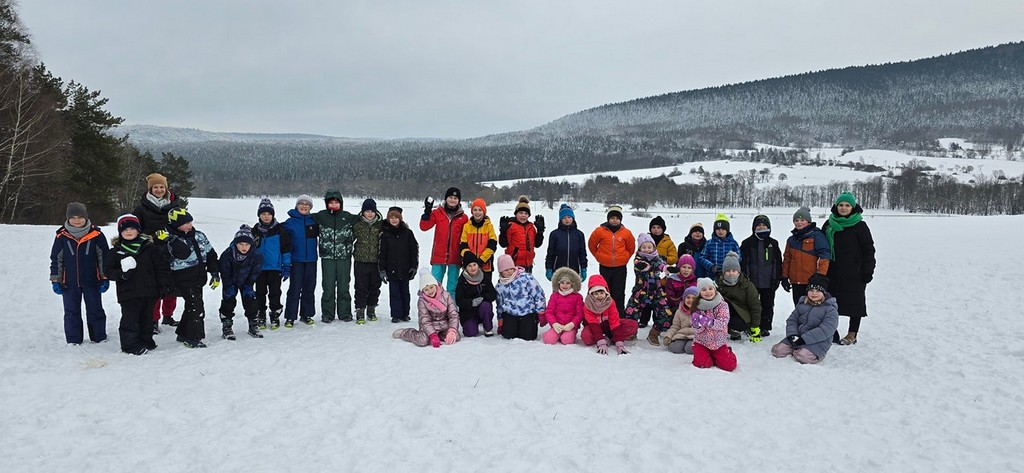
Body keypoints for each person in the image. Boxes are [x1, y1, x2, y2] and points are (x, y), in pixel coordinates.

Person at [104, 213, 168, 355]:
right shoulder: (115, 251)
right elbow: (108, 271)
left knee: (147, 318)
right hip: (128, 292)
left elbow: (160, 267)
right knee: (130, 319)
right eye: (125, 229)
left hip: (149, 291)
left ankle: (146, 340)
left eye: (132, 229)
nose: (128, 232)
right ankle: (130, 345)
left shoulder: (150, 248)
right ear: (120, 232)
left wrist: (163, 285)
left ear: (138, 230)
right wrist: (121, 274)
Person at [50, 202, 109, 345]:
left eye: (80, 217)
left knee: (95, 309)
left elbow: (104, 258)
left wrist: (104, 277)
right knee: (71, 312)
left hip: (92, 281)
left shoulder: (97, 234)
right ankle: (73, 339)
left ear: (86, 218)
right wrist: (56, 280)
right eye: (73, 217)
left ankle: (99, 337)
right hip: (68, 283)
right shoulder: (61, 236)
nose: (77, 220)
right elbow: (56, 259)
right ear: (68, 218)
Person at [133, 173, 186, 329]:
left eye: (161, 187)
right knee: (154, 287)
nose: (159, 189)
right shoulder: (141, 209)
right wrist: (150, 238)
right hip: (150, 251)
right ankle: (153, 319)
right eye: (155, 187)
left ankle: (168, 316)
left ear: (166, 188)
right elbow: (135, 231)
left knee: (171, 285)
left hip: (171, 250)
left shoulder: (175, 207)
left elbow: (182, 227)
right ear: (150, 189)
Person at [160, 207, 219, 348]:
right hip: (183, 278)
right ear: (175, 226)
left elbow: (211, 254)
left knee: (191, 305)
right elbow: (183, 253)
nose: (189, 225)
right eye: (184, 223)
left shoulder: (200, 235)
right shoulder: (171, 240)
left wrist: (215, 273)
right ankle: (193, 337)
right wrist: (172, 239)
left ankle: (183, 333)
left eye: (190, 221)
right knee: (196, 308)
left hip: (199, 277)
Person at [824, 192, 876, 346]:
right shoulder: (829, 224)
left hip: (855, 272)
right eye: (841, 205)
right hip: (832, 271)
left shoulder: (860, 225)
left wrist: (868, 270)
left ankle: (852, 333)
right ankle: (831, 331)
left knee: (855, 303)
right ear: (836, 206)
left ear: (852, 207)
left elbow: (868, 249)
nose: (844, 208)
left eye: (847, 205)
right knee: (829, 303)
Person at [313, 189, 358, 323]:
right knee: (328, 286)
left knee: (344, 286)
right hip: (327, 258)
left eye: (336, 202)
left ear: (341, 203)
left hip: (344, 257)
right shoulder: (320, 217)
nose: (333, 205)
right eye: (331, 202)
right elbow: (303, 218)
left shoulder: (348, 217)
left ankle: (345, 313)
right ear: (327, 204)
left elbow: (367, 219)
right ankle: (327, 313)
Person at [772, 274, 839, 364]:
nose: (814, 293)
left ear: (824, 293)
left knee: (801, 356)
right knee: (777, 351)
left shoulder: (830, 309)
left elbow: (826, 330)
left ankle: (816, 354)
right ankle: (799, 347)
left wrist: (804, 339)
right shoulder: (802, 304)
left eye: (818, 291)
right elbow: (792, 320)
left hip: (818, 341)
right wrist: (792, 335)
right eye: (811, 290)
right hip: (797, 338)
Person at [624, 233, 674, 345]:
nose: (647, 250)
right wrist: (643, 266)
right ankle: (631, 332)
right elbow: (640, 264)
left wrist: (667, 268)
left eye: (649, 247)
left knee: (665, 313)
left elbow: (660, 264)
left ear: (654, 247)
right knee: (630, 312)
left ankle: (654, 333)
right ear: (640, 248)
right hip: (640, 291)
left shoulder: (657, 258)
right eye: (644, 247)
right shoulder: (638, 258)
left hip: (656, 291)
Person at [218, 225, 264, 340]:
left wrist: (249, 284)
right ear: (235, 244)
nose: (244, 247)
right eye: (241, 244)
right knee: (228, 303)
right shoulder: (227, 254)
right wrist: (228, 285)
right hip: (231, 282)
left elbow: (256, 271)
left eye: (247, 244)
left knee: (251, 302)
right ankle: (227, 326)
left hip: (246, 282)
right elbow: (224, 271)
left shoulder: (256, 256)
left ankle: (253, 325)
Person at [588, 205, 635, 317]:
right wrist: (599, 256)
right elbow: (592, 245)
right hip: (605, 266)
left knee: (618, 292)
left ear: (620, 219)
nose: (615, 220)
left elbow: (631, 248)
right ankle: (605, 314)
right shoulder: (599, 231)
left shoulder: (626, 233)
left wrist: (624, 257)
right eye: (612, 218)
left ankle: (619, 315)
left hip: (620, 267)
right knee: (604, 292)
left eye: (617, 218)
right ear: (608, 219)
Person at [740, 215, 783, 336]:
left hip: (768, 281)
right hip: (751, 281)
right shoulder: (747, 243)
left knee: (767, 304)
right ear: (754, 227)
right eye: (758, 225)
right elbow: (744, 262)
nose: (761, 227)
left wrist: (777, 278)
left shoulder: (773, 243)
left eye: (764, 225)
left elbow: (777, 262)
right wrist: (745, 278)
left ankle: (765, 326)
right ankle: (750, 326)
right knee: (751, 304)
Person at [252, 198, 291, 330]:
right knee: (260, 293)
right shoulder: (254, 232)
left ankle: (275, 314)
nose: (266, 216)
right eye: (263, 214)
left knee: (275, 293)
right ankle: (261, 314)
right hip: (259, 269)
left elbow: (286, 250)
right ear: (259, 215)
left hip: (275, 267)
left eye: (269, 214)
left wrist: (286, 266)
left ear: (273, 215)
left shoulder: (280, 230)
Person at [392, 272, 460, 348]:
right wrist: (432, 335)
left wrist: (452, 331)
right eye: (426, 289)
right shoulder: (422, 301)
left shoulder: (446, 295)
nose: (430, 291)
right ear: (423, 291)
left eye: (431, 287)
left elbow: (453, 314)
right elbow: (425, 320)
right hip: (429, 326)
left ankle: (441, 335)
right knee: (423, 341)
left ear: (436, 285)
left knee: (456, 336)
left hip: (444, 325)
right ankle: (406, 333)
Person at [420, 187, 469, 293]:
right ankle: (436, 308)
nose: (452, 200)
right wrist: (427, 213)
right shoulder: (437, 213)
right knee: (435, 286)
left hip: (455, 257)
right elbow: (424, 227)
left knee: (452, 287)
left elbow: (467, 236)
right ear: (446, 198)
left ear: (459, 201)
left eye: (455, 198)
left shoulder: (464, 218)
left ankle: (452, 308)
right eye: (450, 197)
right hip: (439, 255)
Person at [283, 195, 320, 327]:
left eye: (307, 204)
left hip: (311, 260)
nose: (304, 206)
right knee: (295, 288)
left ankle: (306, 314)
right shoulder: (290, 222)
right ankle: (290, 317)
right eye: (301, 204)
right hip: (296, 260)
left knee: (309, 288)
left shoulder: (314, 221)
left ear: (310, 207)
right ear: (296, 206)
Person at [781, 206, 831, 305]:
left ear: (808, 221)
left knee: (813, 310)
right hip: (796, 282)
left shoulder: (817, 236)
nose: (799, 223)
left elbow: (824, 257)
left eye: (802, 220)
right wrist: (784, 277)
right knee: (799, 309)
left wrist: (820, 276)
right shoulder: (791, 240)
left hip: (812, 282)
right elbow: (787, 259)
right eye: (796, 220)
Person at [378, 207, 419, 323]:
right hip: (392, 269)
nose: (394, 220)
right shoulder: (385, 234)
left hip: (405, 268)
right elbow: (382, 253)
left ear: (400, 219)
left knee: (405, 292)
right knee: (394, 292)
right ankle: (396, 314)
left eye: (396, 217)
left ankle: (405, 313)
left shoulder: (408, 233)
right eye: (392, 217)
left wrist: (414, 266)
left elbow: (414, 250)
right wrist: (382, 269)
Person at [580, 274, 638, 355]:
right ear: (591, 294)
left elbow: (614, 322)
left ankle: (610, 338)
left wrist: (619, 344)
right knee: (586, 337)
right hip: (594, 327)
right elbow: (593, 324)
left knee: (632, 325)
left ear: (606, 292)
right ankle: (604, 339)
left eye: (601, 292)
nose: (599, 296)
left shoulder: (610, 302)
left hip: (609, 326)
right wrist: (601, 342)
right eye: (595, 294)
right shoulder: (588, 305)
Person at [493, 254, 546, 341]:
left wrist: (541, 312)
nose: (510, 272)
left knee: (528, 336)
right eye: (506, 270)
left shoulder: (526, 278)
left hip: (527, 312)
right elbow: (500, 304)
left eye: (511, 268)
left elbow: (538, 294)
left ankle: (529, 325)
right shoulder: (499, 286)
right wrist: (500, 321)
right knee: (508, 334)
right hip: (510, 314)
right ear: (501, 272)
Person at [689, 277, 737, 371]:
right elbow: (696, 331)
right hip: (701, 342)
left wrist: (709, 322)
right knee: (702, 364)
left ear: (715, 289)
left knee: (729, 366)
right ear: (699, 293)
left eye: (710, 288)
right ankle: (706, 355)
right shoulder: (696, 306)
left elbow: (723, 323)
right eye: (703, 289)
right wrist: (697, 325)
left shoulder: (722, 305)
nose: (708, 292)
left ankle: (726, 352)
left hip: (718, 343)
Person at [716, 251, 763, 342]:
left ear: (738, 271)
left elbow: (755, 306)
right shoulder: (718, 284)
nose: (731, 273)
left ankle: (735, 331)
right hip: (724, 313)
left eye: (734, 270)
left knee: (738, 324)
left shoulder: (747, 285)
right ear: (723, 272)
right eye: (728, 271)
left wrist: (755, 327)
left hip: (742, 314)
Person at [352, 199, 384, 324]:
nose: (370, 214)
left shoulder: (381, 225)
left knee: (375, 287)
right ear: (363, 212)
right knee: (361, 287)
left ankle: (371, 310)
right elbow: (349, 239)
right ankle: (360, 311)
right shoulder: (357, 224)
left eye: (372, 211)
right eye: (367, 211)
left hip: (376, 262)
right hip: (361, 261)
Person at [454, 253, 497, 337]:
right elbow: (459, 301)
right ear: (465, 268)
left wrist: (483, 297)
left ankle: (488, 328)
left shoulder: (484, 277)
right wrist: (471, 302)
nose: (473, 268)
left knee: (485, 305)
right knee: (470, 333)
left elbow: (493, 294)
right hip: (468, 312)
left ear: (478, 265)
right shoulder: (462, 281)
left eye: (474, 264)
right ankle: (472, 324)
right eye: (469, 266)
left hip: (483, 308)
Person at [498, 196, 544, 272]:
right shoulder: (511, 226)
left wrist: (540, 232)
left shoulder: (531, 227)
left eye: (526, 213)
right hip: (514, 264)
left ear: (528, 215)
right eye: (521, 213)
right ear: (516, 214)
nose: (523, 215)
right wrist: (503, 232)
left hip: (528, 264)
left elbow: (537, 244)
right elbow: (503, 244)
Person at [541, 267, 584, 345]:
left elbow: (580, 314)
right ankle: (555, 333)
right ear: (558, 283)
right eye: (562, 283)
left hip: (570, 326)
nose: (565, 285)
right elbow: (549, 312)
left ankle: (571, 334)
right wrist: (554, 323)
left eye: (568, 283)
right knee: (548, 340)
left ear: (572, 284)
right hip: (557, 325)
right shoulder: (554, 296)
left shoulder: (578, 297)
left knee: (566, 340)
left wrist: (572, 324)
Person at [544, 203, 588, 278]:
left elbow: (582, 253)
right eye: (564, 218)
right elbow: (550, 253)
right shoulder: (554, 234)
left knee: (573, 289)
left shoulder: (579, 234)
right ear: (560, 220)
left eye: (569, 217)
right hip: (558, 269)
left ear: (573, 218)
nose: (567, 219)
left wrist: (583, 267)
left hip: (574, 269)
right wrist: (548, 267)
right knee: (559, 289)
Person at [459, 198, 498, 282]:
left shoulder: (489, 226)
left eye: (480, 210)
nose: (477, 212)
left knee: (486, 289)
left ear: (484, 212)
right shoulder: (467, 226)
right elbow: (463, 245)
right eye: (475, 210)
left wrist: (481, 260)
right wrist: (471, 260)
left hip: (485, 265)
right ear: (472, 211)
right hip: (470, 266)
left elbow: (492, 245)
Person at [696, 213, 740, 280]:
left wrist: (729, 266)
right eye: (718, 229)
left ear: (727, 230)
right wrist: (711, 266)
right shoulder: (709, 243)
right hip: (712, 276)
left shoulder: (733, 243)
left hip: (728, 276)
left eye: (723, 229)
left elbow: (739, 258)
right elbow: (702, 258)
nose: (720, 231)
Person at [663, 286, 699, 355]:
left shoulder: (701, 311)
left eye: (693, 298)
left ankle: (690, 346)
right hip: (682, 335)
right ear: (684, 299)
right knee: (673, 347)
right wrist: (668, 336)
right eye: (688, 297)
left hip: (695, 335)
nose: (690, 300)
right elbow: (675, 326)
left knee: (689, 348)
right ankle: (684, 345)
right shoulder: (679, 311)